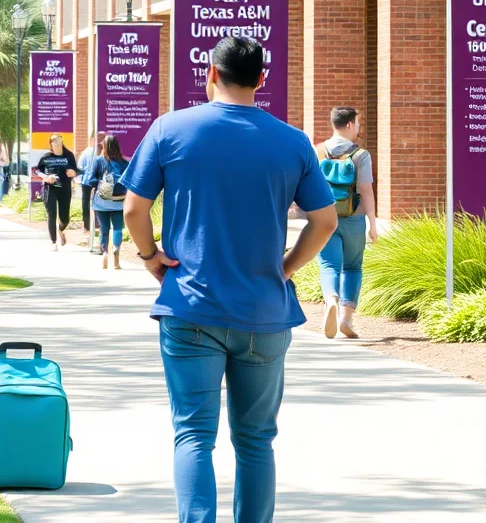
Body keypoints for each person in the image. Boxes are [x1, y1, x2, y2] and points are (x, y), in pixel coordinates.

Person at [120, 37, 337, 523]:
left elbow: (134, 207)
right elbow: (325, 222)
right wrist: (286, 268)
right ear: (263, 79)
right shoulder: (293, 141)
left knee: (193, 434)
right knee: (256, 439)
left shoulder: (170, 129)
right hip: (264, 310)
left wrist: (151, 256)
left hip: (191, 306)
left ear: (210, 73)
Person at [315, 106, 378, 340]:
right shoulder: (361, 155)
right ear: (350, 124)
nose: (359, 127)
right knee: (352, 267)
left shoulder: (317, 151)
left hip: (324, 219)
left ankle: (331, 299)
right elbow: (366, 190)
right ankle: (345, 318)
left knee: (328, 265)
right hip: (353, 219)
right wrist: (372, 223)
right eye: (358, 123)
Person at [83, 134, 127, 267]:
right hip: (118, 202)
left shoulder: (98, 161)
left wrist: (99, 183)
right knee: (118, 227)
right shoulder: (124, 163)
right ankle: (116, 249)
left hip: (101, 201)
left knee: (104, 229)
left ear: (104, 147)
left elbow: (91, 180)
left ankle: (105, 253)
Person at [32, 134, 78, 252]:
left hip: (64, 189)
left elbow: (76, 170)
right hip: (50, 189)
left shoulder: (69, 156)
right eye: (53, 141)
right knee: (51, 215)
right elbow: (37, 171)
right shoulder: (46, 157)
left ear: (62, 142)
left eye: (58, 140)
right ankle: (53, 242)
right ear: (50, 144)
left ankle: (61, 230)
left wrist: (73, 172)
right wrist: (45, 177)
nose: (56, 142)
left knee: (65, 219)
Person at [76, 132, 97, 246]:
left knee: (85, 204)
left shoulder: (86, 152)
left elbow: (79, 167)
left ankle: (86, 227)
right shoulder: (100, 152)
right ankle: (95, 226)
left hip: (86, 182)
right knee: (97, 204)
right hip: (97, 182)